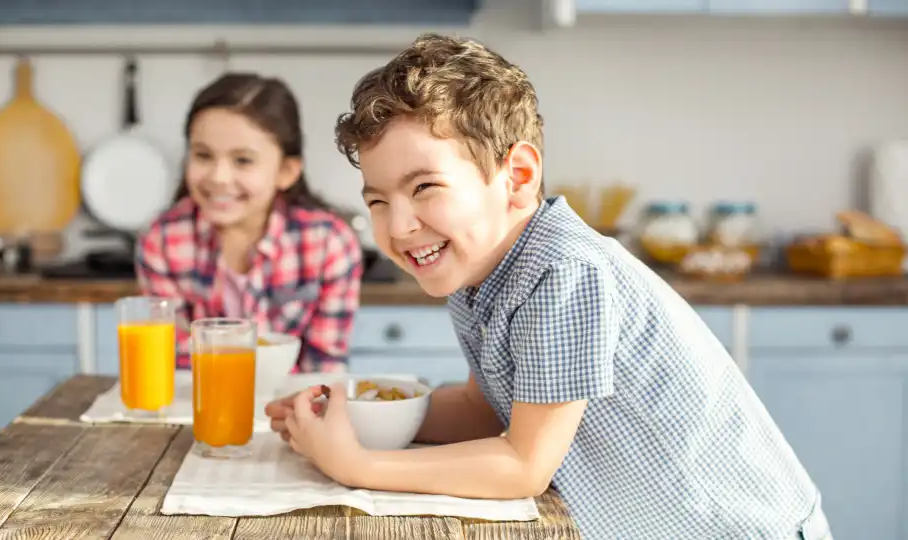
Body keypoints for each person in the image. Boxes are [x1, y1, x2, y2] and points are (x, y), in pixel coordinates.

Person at [263, 34, 835, 539]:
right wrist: (347, 410)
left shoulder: (564, 271)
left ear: (517, 177)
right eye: (378, 201)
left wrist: (354, 464)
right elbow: (483, 410)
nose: (399, 225)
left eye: (426, 187)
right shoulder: (477, 270)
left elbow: (522, 466)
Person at [136, 73, 363, 373]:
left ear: (287, 170)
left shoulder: (330, 244)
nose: (218, 177)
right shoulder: (162, 241)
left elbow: (324, 367)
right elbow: (177, 364)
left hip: (290, 411)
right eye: (203, 155)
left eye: (243, 160)